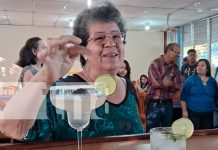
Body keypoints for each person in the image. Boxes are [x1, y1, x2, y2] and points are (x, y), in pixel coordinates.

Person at [0, 2, 144, 141]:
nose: (111, 43)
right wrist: (46, 76)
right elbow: (11, 128)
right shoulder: (64, 90)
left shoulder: (128, 87)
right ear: (83, 52)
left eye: (116, 36)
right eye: (100, 38)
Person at [146, 43, 182, 132]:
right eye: (176, 52)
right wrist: (169, 84)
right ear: (169, 51)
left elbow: (178, 86)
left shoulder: (175, 67)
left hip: (168, 103)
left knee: (167, 131)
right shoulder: (155, 63)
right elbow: (156, 83)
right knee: (151, 131)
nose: (178, 55)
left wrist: (168, 83)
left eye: (179, 53)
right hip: (154, 103)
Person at [180, 59, 218, 130]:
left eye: (202, 65)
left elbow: (215, 97)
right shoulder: (191, 79)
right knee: (194, 136)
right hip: (193, 113)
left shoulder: (212, 81)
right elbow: (183, 97)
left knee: (207, 136)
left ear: (207, 69)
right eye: (198, 65)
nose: (199, 67)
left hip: (209, 114)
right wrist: (184, 111)